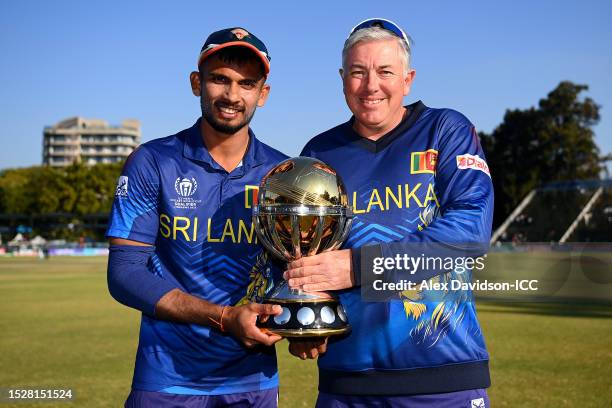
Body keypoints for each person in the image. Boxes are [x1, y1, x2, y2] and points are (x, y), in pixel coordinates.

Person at [285, 18, 494, 407]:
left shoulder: (445, 129)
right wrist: (305, 309)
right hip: (346, 384)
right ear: (342, 77)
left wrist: (358, 267)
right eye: (358, 72)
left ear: (408, 79)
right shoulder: (319, 152)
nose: (371, 86)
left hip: (442, 380)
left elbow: (469, 232)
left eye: (385, 71)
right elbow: (304, 250)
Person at [106, 27, 287, 407]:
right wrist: (223, 317)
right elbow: (124, 273)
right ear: (196, 83)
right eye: (219, 79)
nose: (232, 95)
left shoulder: (282, 175)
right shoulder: (152, 161)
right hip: (167, 380)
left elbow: (293, 271)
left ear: (263, 94)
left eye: (246, 83)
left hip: (251, 380)